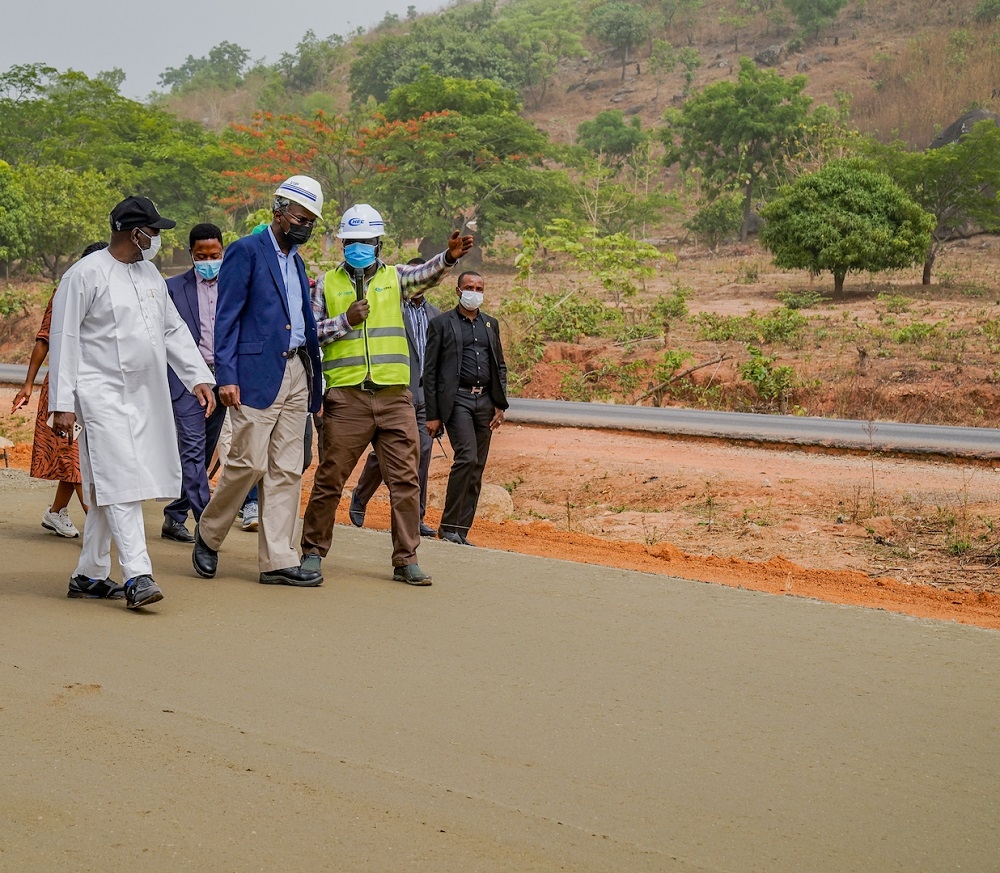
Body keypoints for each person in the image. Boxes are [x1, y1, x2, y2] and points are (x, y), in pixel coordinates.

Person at [48, 196, 215, 609]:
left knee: (116, 482)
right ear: (131, 231)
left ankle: (89, 574)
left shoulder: (149, 275)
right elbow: (64, 338)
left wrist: (197, 377)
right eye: (153, 230)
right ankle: (139, 573)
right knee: (120, 479)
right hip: (97, 395)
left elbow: (173, 330)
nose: (157, 238)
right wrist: (62, 403)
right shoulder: (84, 275)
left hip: (145, 395)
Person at [299, 204, 473, 586]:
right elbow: (310, 334)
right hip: (347, 399)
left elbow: (424, 275)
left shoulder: (396, 278)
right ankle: (312, 553)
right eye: (352, 241)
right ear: (342, 243)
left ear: (379, 244)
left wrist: (447, 258)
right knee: (330, 479)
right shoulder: (326, 284)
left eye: (366, 241)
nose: (358, 247)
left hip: (395, 398)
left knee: (406, 481)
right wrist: (346, 319)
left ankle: (406, 559)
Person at [192, 176, 324, 587]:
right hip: (254, 375)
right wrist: (226, 376)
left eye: (311, 221)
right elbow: (226, 317)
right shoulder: (247, 251)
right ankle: (209, 534)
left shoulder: (299, 262)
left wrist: (314, 376)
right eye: (300, 218)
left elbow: (301, 321)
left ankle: (278, 561)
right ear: (279, 212)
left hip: (297, 371)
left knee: (287, 468)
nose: (304, 226)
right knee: (248, 462)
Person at [11, 241, 108, 539]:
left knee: (78, 456)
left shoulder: (110, 296)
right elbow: (44, 339)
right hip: (66, 389)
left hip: (97, 386)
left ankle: (55, 513)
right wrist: (28, 384)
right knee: (75, 455)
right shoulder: (66, 293)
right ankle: (97, 526)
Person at [348, 257, 440, 537]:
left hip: (427, 395)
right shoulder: (391, 308)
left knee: (422, 455)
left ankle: (416, 517)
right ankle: (361, 496)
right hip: (397, 391)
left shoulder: (435, 314)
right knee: (388, 454)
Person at [424, 270, 508, 546]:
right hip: (457, 400)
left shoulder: (490, 325)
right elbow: (431, 372)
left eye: (479, 287)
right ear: (458, 290)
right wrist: (433, 415)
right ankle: (447, 526)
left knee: (477, 466)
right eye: (469, 286)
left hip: (485, 401)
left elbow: (500, 366)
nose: (474, 291)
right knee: (467, 458)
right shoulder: (441, 323)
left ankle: (461, 530)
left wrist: (500, 403)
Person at [161, 223, 228, 544]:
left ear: (223, 252)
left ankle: (174, 516)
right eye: (201, 255)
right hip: (187, 380)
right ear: (191, 254)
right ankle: (207, 524)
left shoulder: (233, 286)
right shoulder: (173, 288)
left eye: (214, 255)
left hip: (223, 379)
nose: (208, 260)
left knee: (205, 450)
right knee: (192, 449)